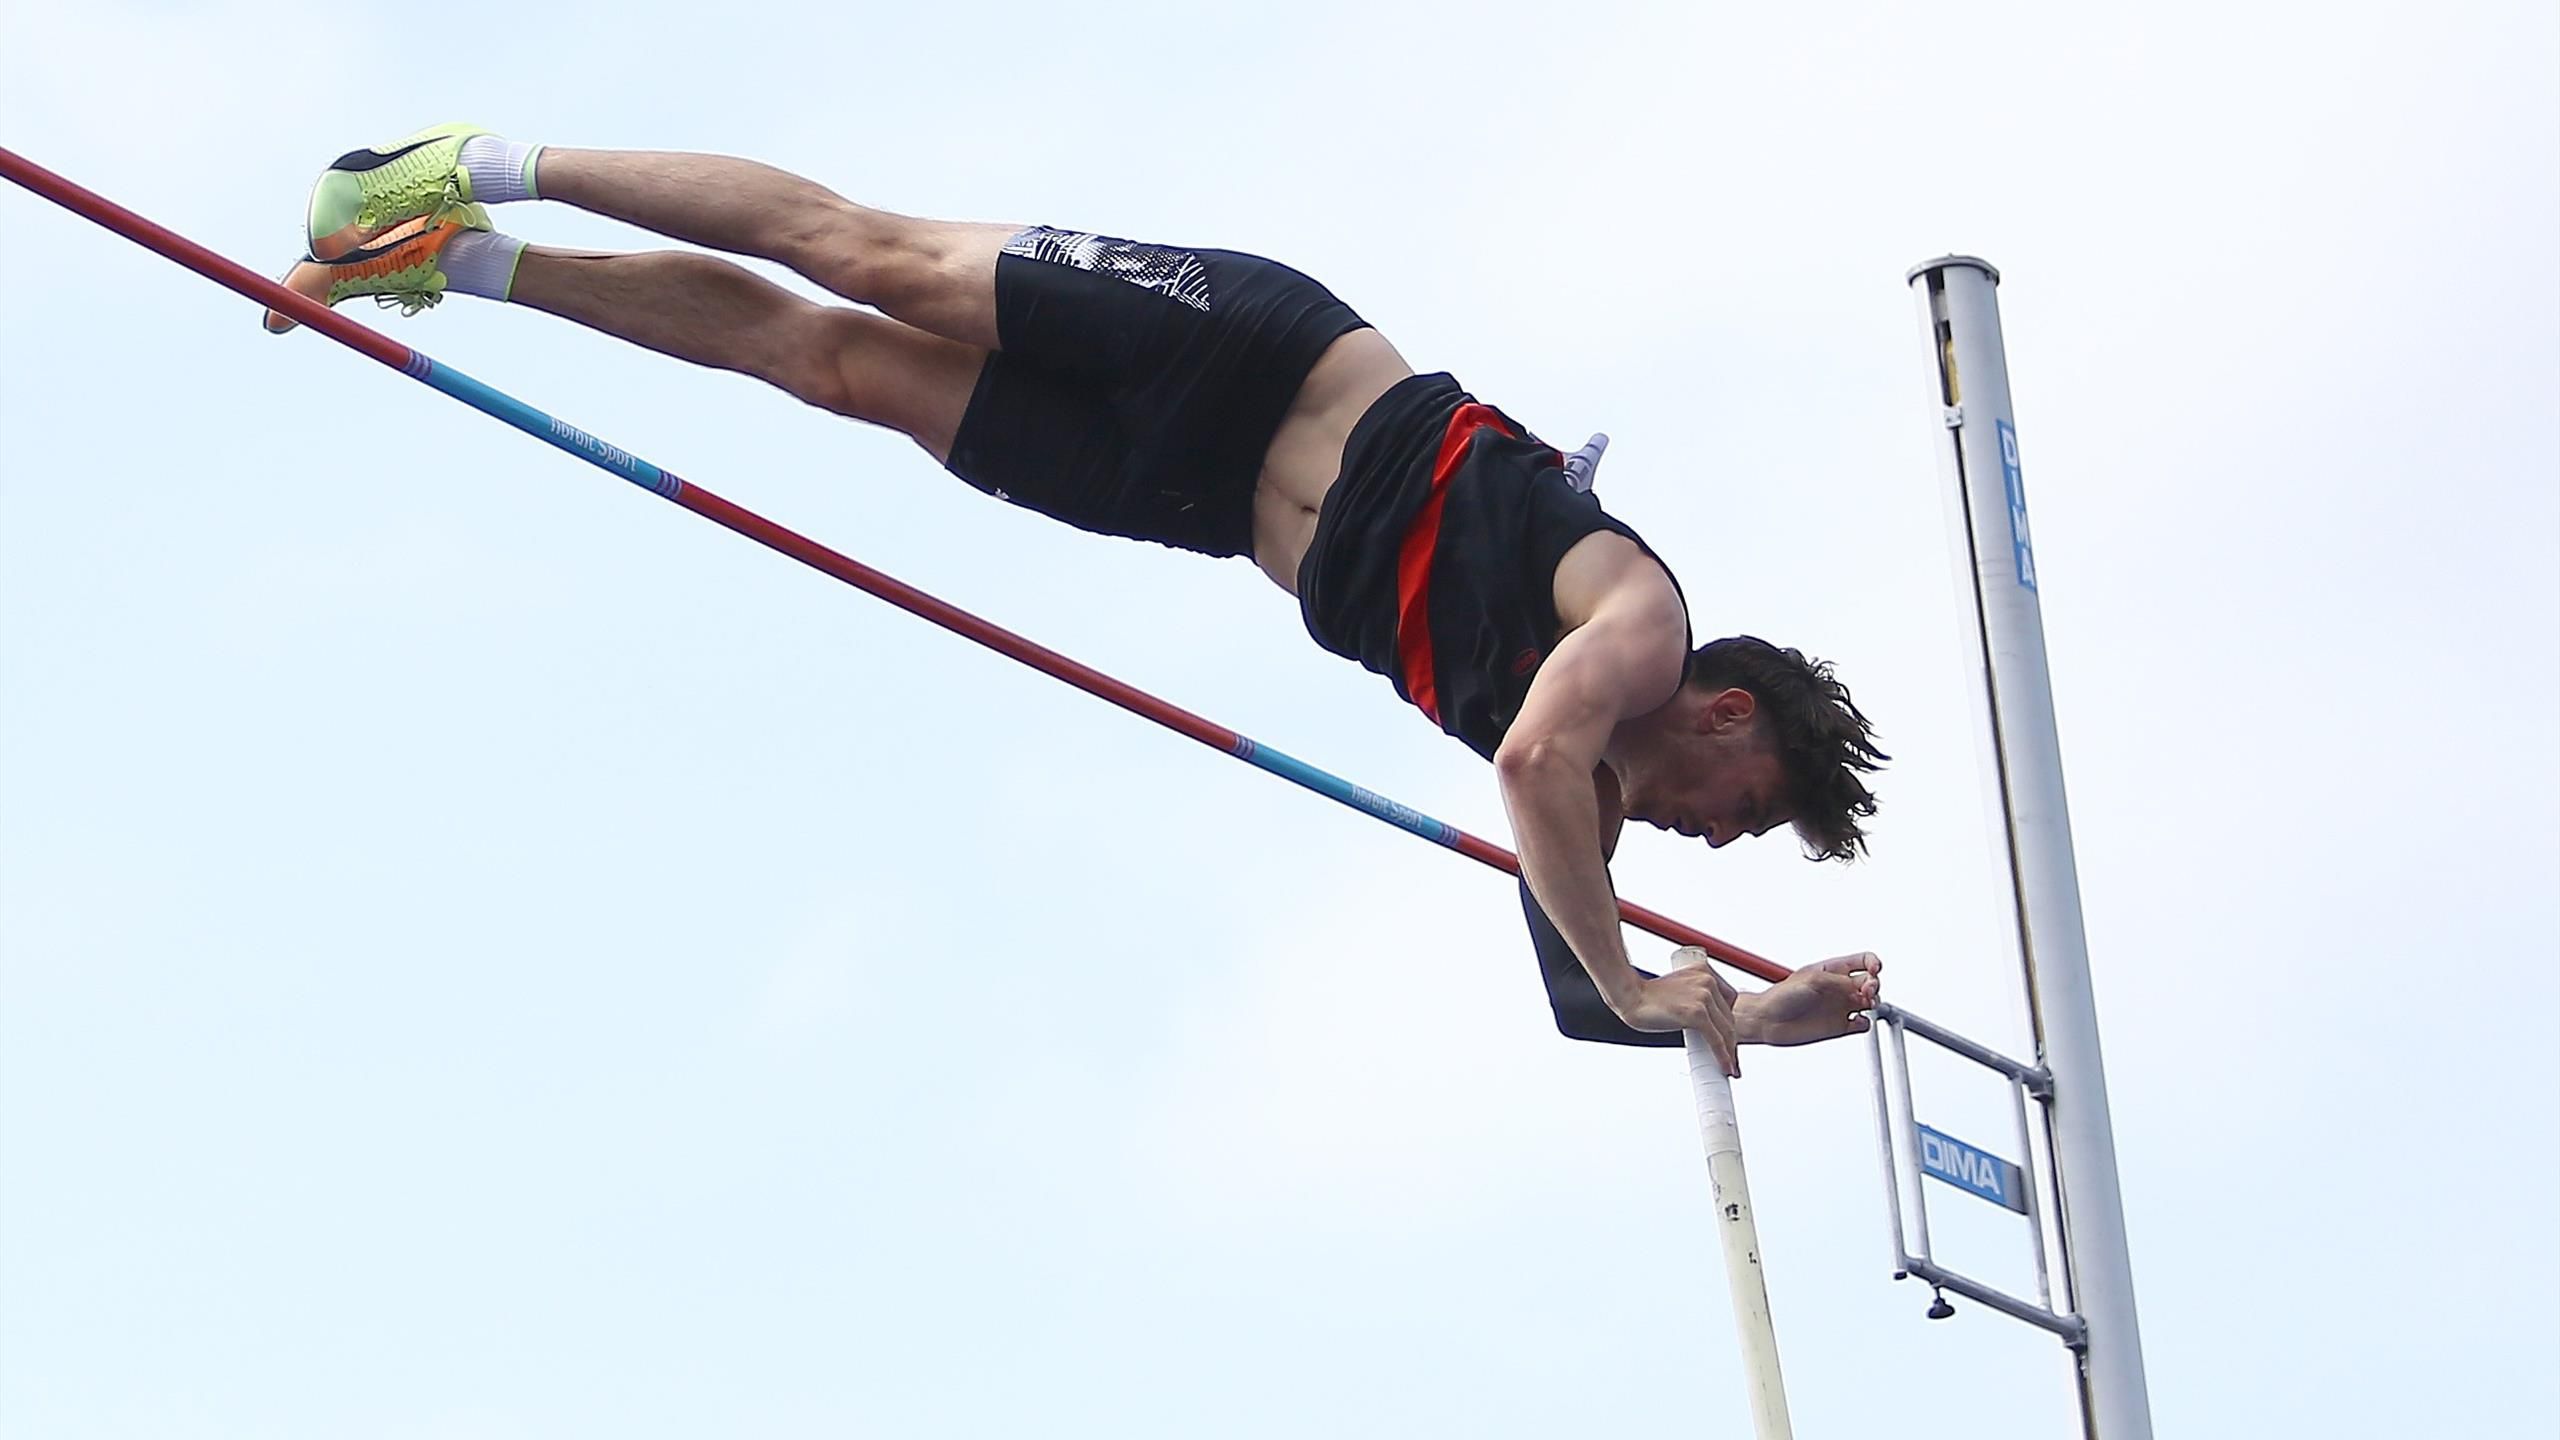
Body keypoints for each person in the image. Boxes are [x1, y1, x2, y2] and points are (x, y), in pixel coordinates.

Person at [269, 125, 1891, 1073]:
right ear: (1731, 714)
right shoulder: (1640, 634)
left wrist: (1756, 1010)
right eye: (1746, 810)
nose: (1715, 841)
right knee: (872, 259)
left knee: (833, 374)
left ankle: (442, 256)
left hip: (1186, 500)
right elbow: (1539, 787)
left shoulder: (1591, 821)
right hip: (1253, 351)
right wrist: (1641, 979)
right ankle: (474, 162)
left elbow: (1576, 1001)